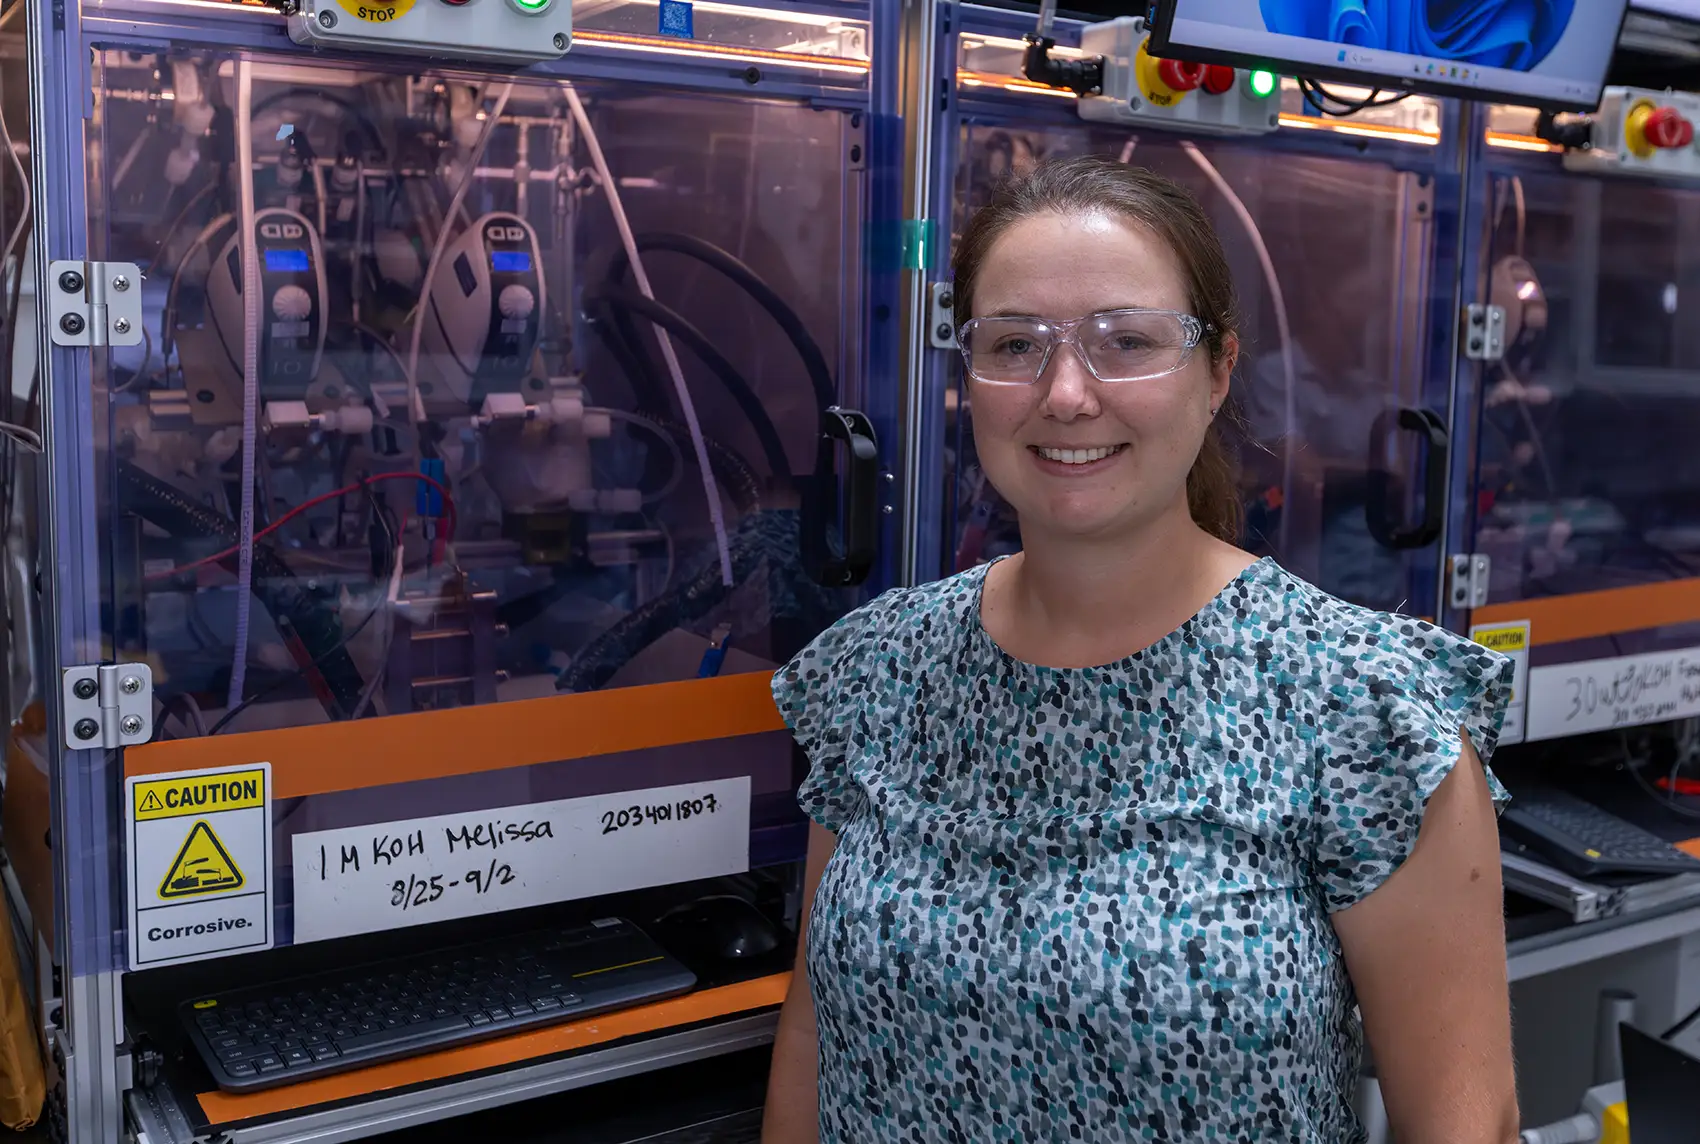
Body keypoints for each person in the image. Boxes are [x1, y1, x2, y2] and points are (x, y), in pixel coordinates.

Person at [761, 156, 1519, 1144]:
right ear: (969, 377)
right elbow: (814, 1032)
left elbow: (1466, 1125)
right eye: (1014, 343)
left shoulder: (1357, 706)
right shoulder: (875, 670)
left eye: (1126, 342)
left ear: (1216, 372)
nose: (1065, 393)